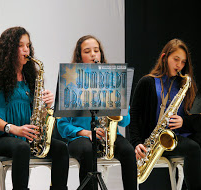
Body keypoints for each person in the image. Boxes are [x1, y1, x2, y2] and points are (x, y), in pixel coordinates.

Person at [0, 26, 69, 190]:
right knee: (21, 147)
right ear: (9, 49)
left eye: (28, 45)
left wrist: (46, 106)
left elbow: (37, 116)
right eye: (20, 45)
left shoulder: (30, 78)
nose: (26, 50)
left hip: (25, 138)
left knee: (60, 148)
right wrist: (14, 129)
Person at [57, 35, 137, 190]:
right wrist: (85, 133)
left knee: (128, 150)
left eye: (96, 50)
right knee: (87, 149)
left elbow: (124, 122)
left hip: (107, 136)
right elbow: (62, 125)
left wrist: (122, 103)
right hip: (80, 138)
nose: (93, 54)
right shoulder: (70, 83)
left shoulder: (112, 81)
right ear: (80, 57)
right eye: (87, 51)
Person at [129, 38, 201, 190]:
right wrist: (136, 143)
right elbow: (134, 116)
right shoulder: (147, 82)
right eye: (176, 59)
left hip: (179, 137)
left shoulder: (186, 84)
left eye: (183, 62)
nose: (179, 65)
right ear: (164, 57)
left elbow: (197, 119)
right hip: (154, 141)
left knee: (195, 146)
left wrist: (184, 121)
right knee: (193, 148)